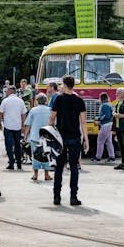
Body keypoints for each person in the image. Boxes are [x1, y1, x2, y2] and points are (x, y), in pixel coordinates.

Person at [48, 75, 89, 206]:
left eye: (61, 84)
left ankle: (57, 197)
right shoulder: (79, 101)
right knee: (74, 168)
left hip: (60, 138)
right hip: (75, 137)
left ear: (65, 85)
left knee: (59, 167)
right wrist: (86, 139)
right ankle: (73, 197)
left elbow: (51, 119)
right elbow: (83, 122)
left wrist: (48, 134)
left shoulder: (58, 99)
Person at [24, 93, 52, 181]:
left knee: (35, 156)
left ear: (37, 101)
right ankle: (47, 175)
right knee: (47, 155)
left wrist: (25, 136)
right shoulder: (50, 110)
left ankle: (35, 175)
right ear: (46, 101)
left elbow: (28, 125)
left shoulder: (33, 110)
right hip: (47, 137)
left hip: (35, 136)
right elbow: (54, 123)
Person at [0, 85, 27, 170]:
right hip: (17, 127)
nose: (6, 92)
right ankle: (19, 164)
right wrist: (23, 125)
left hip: (8, 126)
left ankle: (11, 163)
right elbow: (23, 114)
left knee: (9, 146)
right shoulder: (20, 101)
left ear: (10, 91)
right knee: (18, 145)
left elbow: (0, 113)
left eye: (7, 91)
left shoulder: (5, 101)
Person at [91, 93, 116, 163]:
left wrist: (98, 119)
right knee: (108, 142)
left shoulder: (105, 105)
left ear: (101, 99)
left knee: (100, 141)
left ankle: (98, 157)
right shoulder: (109, 104)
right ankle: (112, 157)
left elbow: (106, 116)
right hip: (109, 125)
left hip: (105, 125)